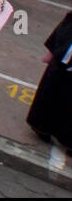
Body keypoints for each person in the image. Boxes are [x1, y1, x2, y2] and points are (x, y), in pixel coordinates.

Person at [26, 10, 72, 149]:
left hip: (63, 59)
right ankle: (43, 127)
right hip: (63, 59)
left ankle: (64, 138)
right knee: (52, 93)